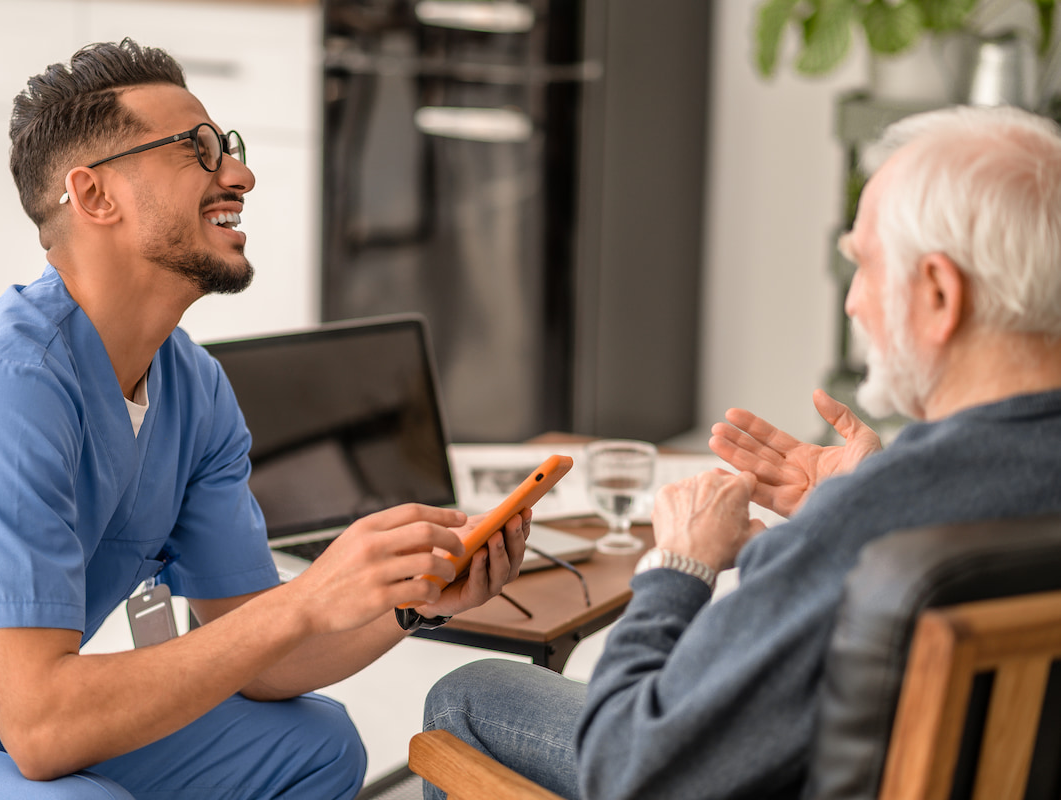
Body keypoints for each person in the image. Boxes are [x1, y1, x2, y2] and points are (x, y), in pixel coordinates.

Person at [0, 39, 530, 799]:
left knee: (316, 745)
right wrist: (308, 597)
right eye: (199, 151)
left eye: (230, 150)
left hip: (0, 717)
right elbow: (44, 730)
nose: (239, 176)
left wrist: (406, 605)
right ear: (96, 196)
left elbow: (262, 653)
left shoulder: (193, 389)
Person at [422, 102, 1061, 800]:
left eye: (866, 267)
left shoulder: (867, 536)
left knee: (470, 694)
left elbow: (629, 767)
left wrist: (680, 565)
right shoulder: (900, 511)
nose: (853, 304)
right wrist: (862, 497)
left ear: (939, 293)